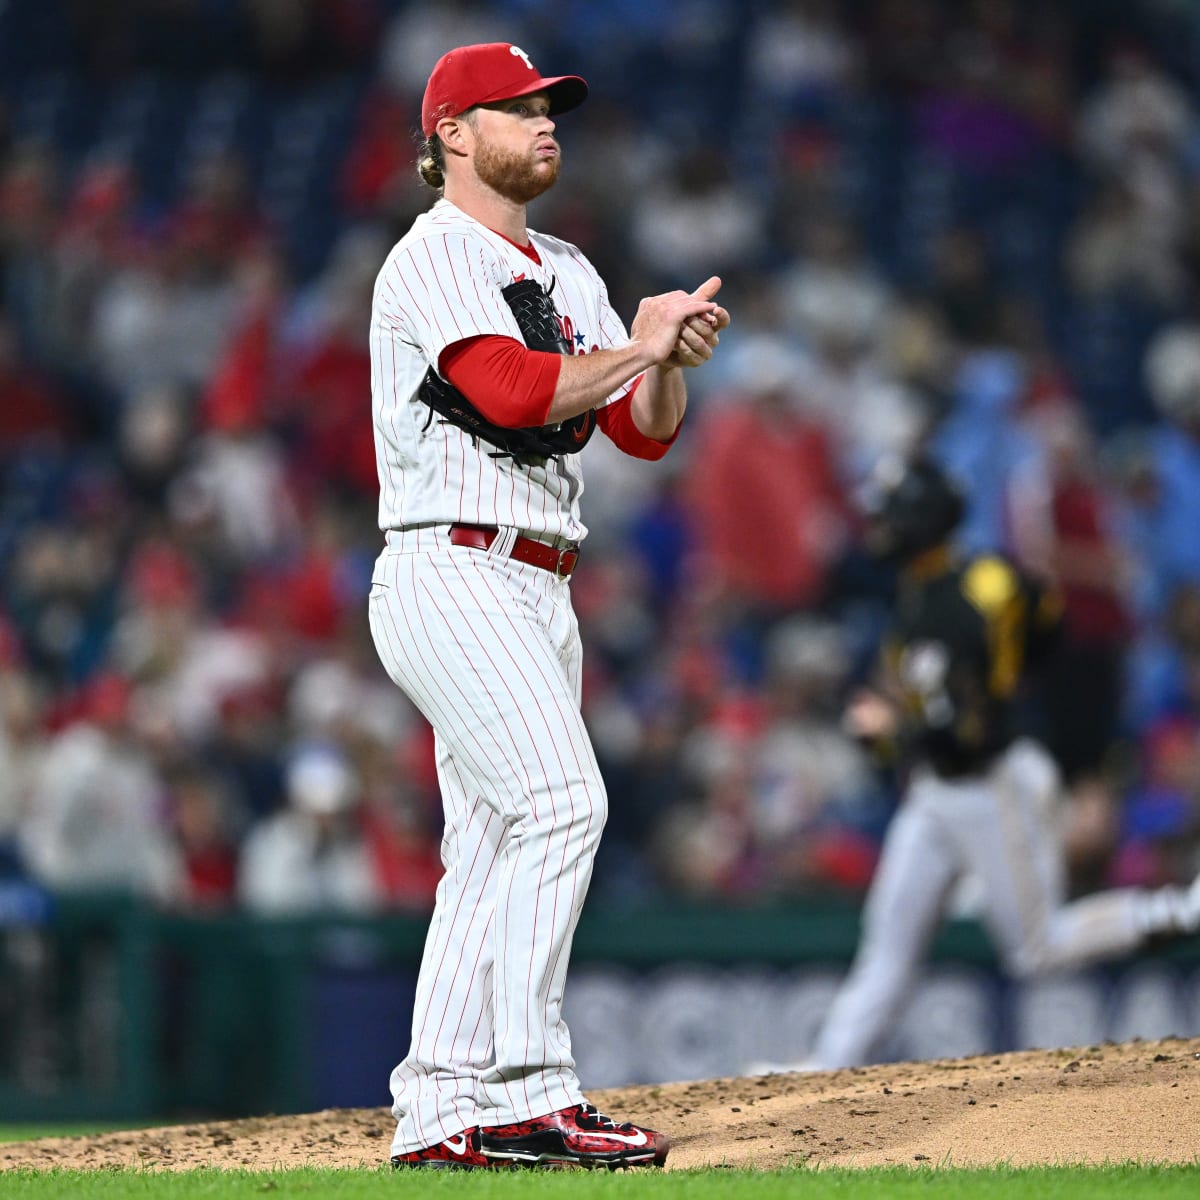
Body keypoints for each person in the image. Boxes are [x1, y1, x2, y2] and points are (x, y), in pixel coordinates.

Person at [366, 42, 729, 1170]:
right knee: (564, 803)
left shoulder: (568, 266)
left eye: (549, 106)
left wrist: (664, 361)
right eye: (515, 108)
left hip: (539, 582)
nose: (544, 121)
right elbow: (509, 389)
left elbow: (644, 433)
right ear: (451, 138)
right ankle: (527, 1089)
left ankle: (440, 1109)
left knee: (488, 845)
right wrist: (638, 348)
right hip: (452, 564)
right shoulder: (430, 259)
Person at [758, 456, 1200, 1073]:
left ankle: (1181, 909)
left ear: (919, 519)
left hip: (991, 782)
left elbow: (959, 735)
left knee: (1038, 947)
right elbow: (1048, 625)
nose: (878, 525)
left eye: (889, 513)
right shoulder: (982, 572)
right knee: (888, 947)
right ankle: (829, 1064)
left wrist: (891, 728)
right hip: (944, 790)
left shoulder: (946, 609)